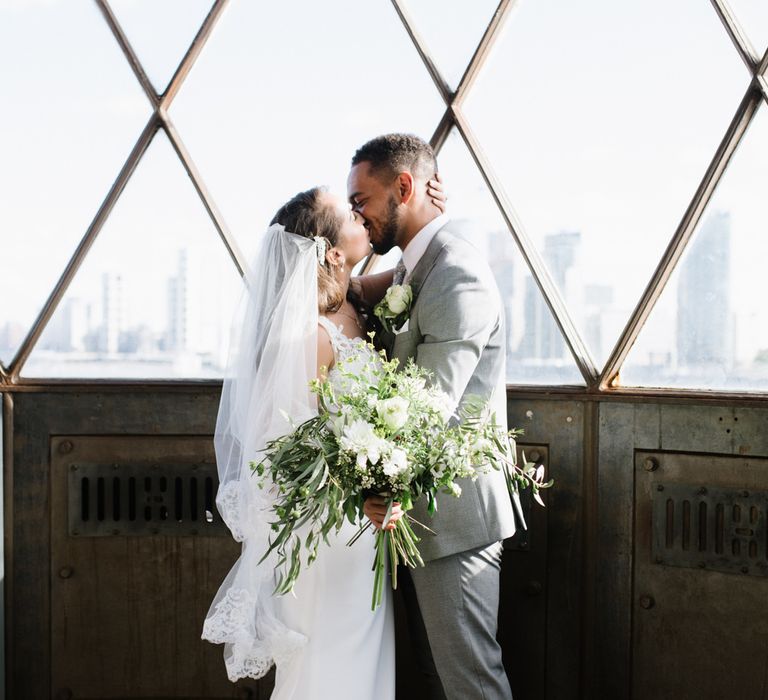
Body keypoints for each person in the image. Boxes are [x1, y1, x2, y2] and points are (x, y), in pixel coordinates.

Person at [202, 182, 444, 699]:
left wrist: (426, 207)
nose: (363, 217)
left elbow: (409, 267)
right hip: (331, 536)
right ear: (333, 252)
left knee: (360, 664)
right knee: (330, 666)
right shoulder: (310, 335)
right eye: (352, 215)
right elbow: (278, 449)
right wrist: (362, 490)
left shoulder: (354, 304)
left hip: (360, 532)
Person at [349, 133, 523, 700]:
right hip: (422, 516)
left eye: (362, 201)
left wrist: (383, 485)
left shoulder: (455, 273)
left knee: (472, 683)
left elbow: (429, 406)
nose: (358, 215)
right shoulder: (418, 266)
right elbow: (351, 292)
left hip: (456, 521)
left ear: (404, 187)